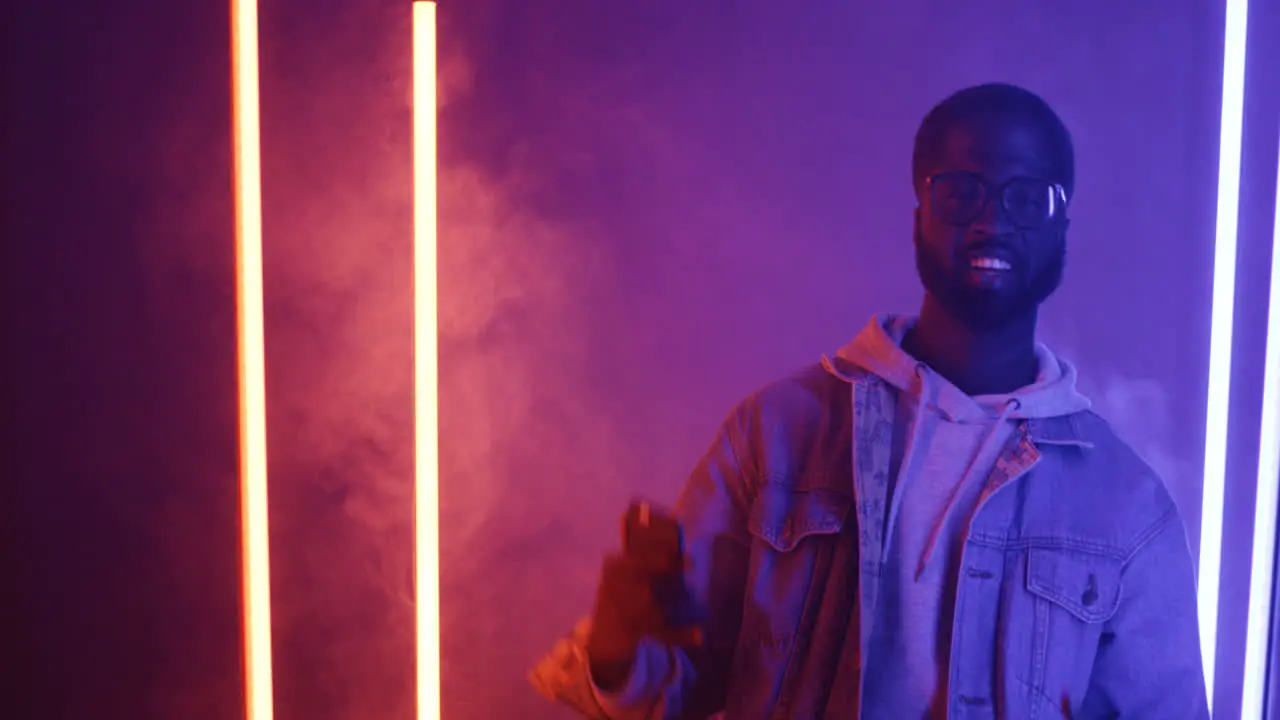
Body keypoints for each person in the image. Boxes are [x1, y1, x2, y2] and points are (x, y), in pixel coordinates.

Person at [529, 82, 1208, 719]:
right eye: (960, 192)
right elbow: (674, 686)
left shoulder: (1126, 509)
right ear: (918, 214)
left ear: (1063, 227)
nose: (990, 221)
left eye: (1027, 197)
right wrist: (618, 653)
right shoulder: (775, 438)